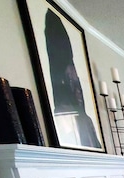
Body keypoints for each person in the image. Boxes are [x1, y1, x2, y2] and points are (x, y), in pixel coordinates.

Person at [44, 9, 101, 149]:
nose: (78, 91)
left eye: (75, 83)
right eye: (71, 80)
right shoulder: (66, 115)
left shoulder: (83, 119)